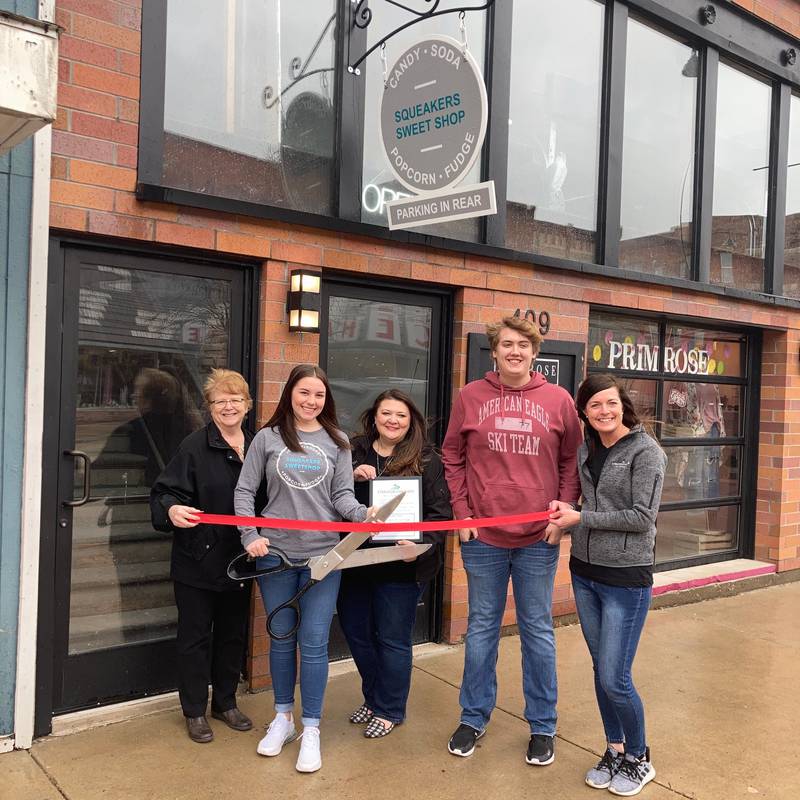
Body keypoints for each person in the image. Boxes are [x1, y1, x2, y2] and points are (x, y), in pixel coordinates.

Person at [442, 316, 582, 765]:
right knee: (482, 628)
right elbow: (452, 456)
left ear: (534, 352)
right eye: (507, 344)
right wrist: (461, 512)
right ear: (495, 351)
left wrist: (563, 513)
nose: (515, 351)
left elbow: (571, 462)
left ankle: (542, 724)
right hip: (482, 536)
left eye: (523, 344)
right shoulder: (471, 396)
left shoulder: (559, 400)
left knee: (537, 630)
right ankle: (473, 716)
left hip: (538, 538)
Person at [234, 364, 370, 774]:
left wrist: (362, 515)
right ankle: (283, 719)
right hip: (274, 555)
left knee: (313, 642)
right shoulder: (267, 438)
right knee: (280, 638)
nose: (311, 401)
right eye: (304, 392)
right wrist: (249, 535)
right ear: (290, 393)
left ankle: (311, 727)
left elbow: (342, 496)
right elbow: (244, 491)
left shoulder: (337, 441)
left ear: (326, 400)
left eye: (319, 395)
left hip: (323, 558)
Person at [549, 374, 666, 796]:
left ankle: (638, 757)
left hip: (625, 579)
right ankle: (614, 748)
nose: (604, 411)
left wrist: (581, 518)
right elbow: (590, 503)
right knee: (602, 672)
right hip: (585, 573)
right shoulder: (588, 447)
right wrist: (568, 511)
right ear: (584, 412)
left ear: (622, 405)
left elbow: (642, 518)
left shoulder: (646, 452)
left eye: (611, 403)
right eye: (595, 405)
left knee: (616, 677)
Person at [150, 368, 262, 744]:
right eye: (219, 401)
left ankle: (225, 702)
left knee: (232, 636)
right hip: (198, 559)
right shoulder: (194, 446)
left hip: (241, 561)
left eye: (235, 399)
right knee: (195, 638)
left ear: (247, 404)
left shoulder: (259, 446)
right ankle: (195, 710)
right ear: (209, 406)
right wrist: (171, 509)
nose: (228, 407)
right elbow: (164, 492)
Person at [337, 389, 451, 738]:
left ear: (410, 421)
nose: (393, 420)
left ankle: (390, 708)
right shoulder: (353, 451)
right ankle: (374, 698)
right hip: (356, 560)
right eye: (386, 413)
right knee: (356, 631)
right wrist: (352, 474)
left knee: (392, 639)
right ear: (374, 417)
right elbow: (333, 496)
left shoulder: (427, 459)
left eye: (401, 415)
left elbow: (440, 516)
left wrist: (420, 546)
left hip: (402, 564)